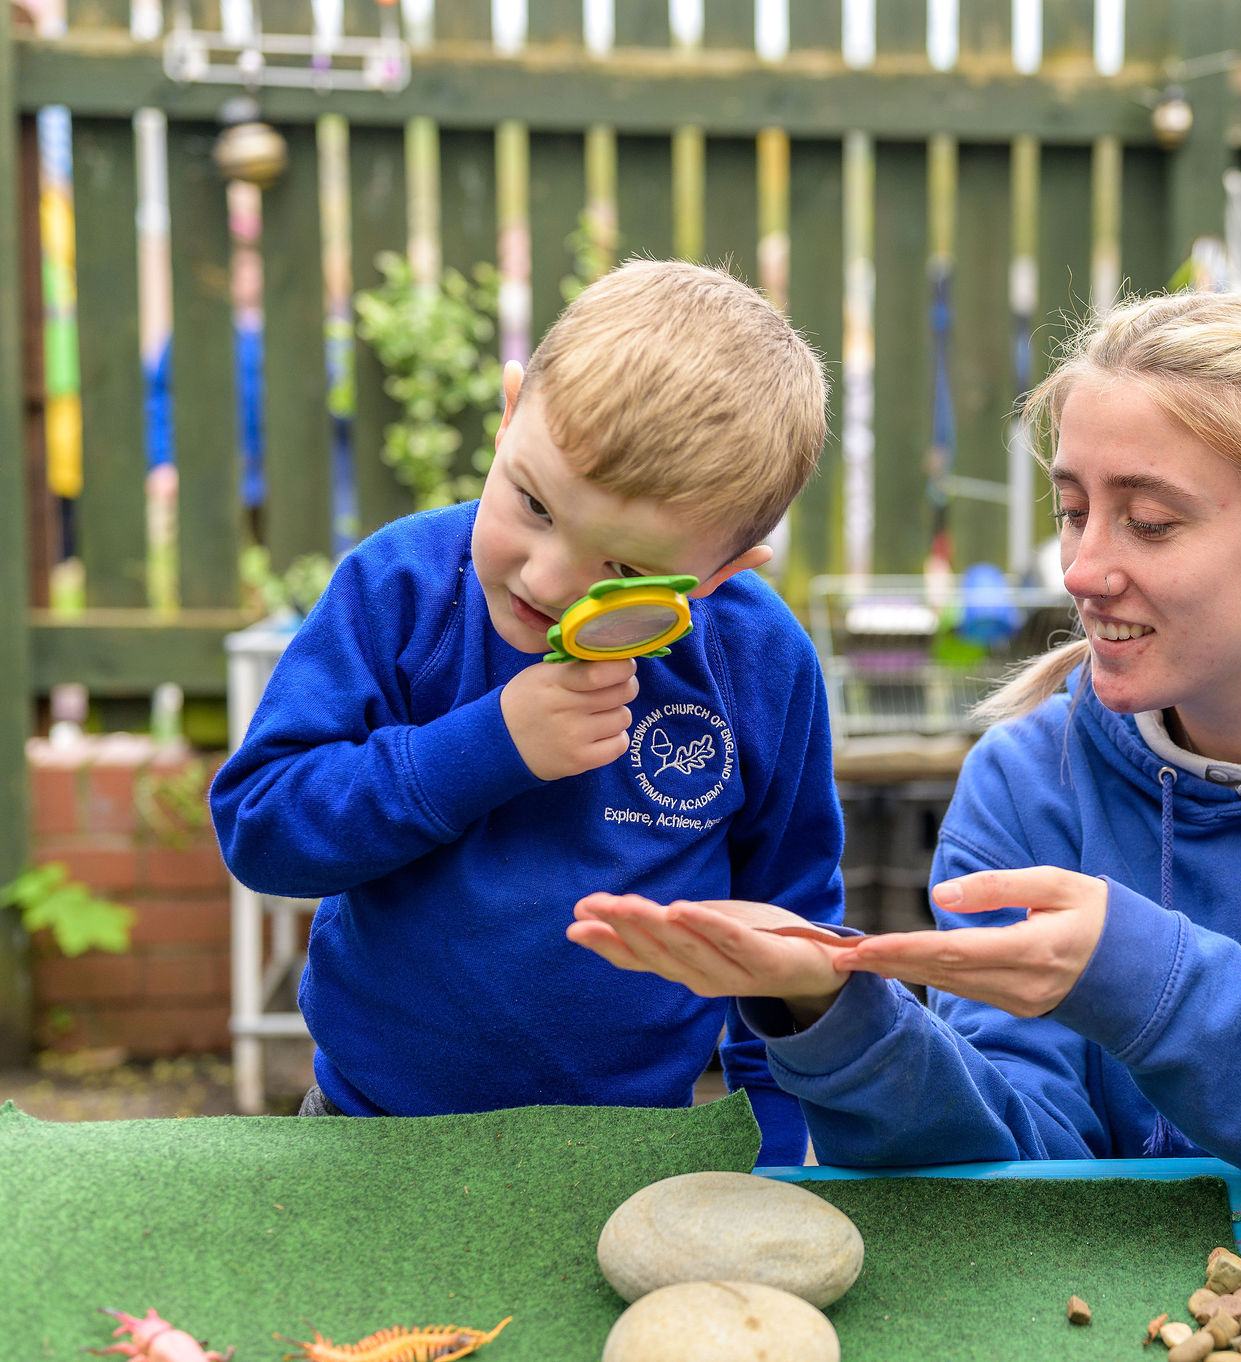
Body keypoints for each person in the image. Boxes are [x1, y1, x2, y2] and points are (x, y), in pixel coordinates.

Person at [566, 288, 1241, 1195]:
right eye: (1072, 508)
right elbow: (1017, 1161)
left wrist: (1151, 981)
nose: (1080, 568)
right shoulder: (1027, 778)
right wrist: (831, 1016)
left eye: (1150, 521)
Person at [210, 260, 840, 1163]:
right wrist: (488, 746)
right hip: (368, 1133)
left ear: (720, 576)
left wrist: (775, 1151)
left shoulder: (756, 660)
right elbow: (262, 828)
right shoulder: (401, 590)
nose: (548, 580)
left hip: (634, 1146)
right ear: (509, 416)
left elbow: (787, 921)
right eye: (533, 503)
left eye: (623, 570)